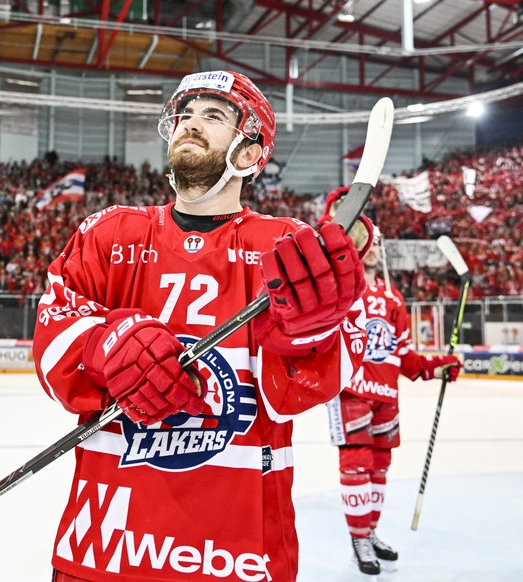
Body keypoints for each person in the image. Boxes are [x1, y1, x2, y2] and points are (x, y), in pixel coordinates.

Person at [32, 69, 369, 582]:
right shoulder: (109, 232)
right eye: (185, 115)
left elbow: (301, 392)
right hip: (104, 546)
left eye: (213, 116)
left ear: (251, 153)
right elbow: (53, 342)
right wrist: (108, 344)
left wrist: (312, 331)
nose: (191, 124)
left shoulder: (285, 247)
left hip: (236, 553)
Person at [321, 188, 462, 576]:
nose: (376, 245)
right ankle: (359, 538)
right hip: (350, 392)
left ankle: (370, 531)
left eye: (377, 240)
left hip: (386, 396)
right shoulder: (341, 286)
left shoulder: (394, 298)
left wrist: (439, 366)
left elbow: (405, 358)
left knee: (380, 468)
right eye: (369, 238)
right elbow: (328, 237)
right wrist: (342, 206)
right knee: (357, 465)